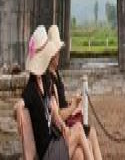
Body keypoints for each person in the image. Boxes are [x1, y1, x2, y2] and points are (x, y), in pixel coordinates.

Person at [23, 25, 93, 160]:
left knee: (78, 153)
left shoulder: (44, 83)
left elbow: (54, 112)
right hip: (48, 153)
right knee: (78, 129)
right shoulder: (31, 89)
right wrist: (18, 110)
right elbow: (21, 103)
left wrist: (62, 126)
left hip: (53, 144)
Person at [47, 25, 103, 160]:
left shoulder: (55, 73)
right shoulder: (48, 80)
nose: (58, 55)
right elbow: (57, 114)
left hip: (63, 126)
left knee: (92, 133)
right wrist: (72, 107)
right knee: (80, 150)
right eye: (56, 52)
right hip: (60, 130)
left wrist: (72, 103)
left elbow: (60, 106)